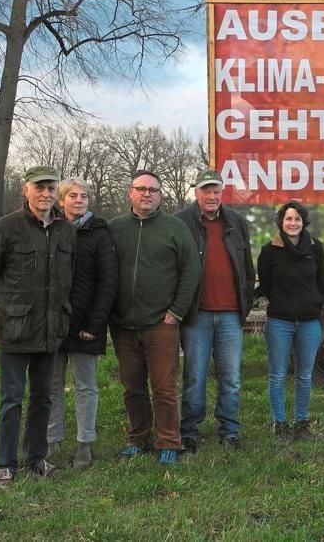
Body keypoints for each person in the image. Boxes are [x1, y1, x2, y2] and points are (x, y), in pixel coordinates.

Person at [0, 165, 76, 486]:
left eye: (50, 188)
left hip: (50, 329)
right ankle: (5, 463)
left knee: (44, 397)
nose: (45, 194)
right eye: (39, 188)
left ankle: (36, 458)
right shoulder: (6, 229)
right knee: (11, 400)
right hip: (14, 330)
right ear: (26, 190)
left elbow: (69, 278)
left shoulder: (66, 230)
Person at [110, 170, 200, 466]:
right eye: (141, 189)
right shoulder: (115, 229)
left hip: (161, 324)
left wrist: (176, 311)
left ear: (161, 196)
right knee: (132, 386)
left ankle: (168, 441)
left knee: (163, 387)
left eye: (153, 190)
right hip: (123, 325)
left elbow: (191, 271)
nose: (147, 194)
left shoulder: (174, 228)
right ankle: (138, 438)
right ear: (130, 193)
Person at [174, 168, 255, 452]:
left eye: (216, 191)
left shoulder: (236, 222)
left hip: (231, 314)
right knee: (194, 376)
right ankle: (189, 431)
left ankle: (229, 430)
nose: (211, 196)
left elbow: (247, 268)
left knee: (231, 377)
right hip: (197, 314)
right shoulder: (180, 222)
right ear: (196, 192)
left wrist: (245, 303)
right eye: (206, 191)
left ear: (222, 192)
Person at [46, 178, 118, 470]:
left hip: (86, 325)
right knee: (50, 385)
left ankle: (84, 445)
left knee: (85, 386)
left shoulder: (99, 233)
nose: (79, 200)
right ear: (60, 201)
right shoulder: (50, 230)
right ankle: (51, 441)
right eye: (72, 196)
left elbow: (108, 282)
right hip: (53, 325)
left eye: (84, 196)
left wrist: (95, 323)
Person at [257, 201, 324, 441]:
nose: (293, 223)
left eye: (297, 219)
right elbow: (265, 285)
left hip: (309, 322)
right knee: (277, 375)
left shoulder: (316, 248)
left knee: (304, 376)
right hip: (280, 322)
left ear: (303, 222)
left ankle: (301, 423)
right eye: (288, 219)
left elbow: (321, 281)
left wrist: (312, 303)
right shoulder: (269, 251)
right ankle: (280, 424)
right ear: (281, 222)